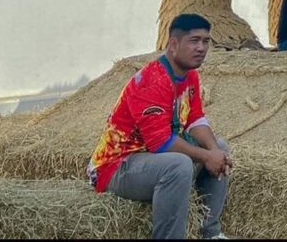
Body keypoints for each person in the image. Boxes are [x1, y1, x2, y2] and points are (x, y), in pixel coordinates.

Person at [87, 13, 232, 239]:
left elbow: (195, 119)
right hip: (117, 166)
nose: (202, 48)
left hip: (151, 161)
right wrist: (206, 157)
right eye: (194, 41)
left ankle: (210, 233)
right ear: (173, 44)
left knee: (220, 148)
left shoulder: (190, 76)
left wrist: (213, 152)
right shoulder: (152, 80)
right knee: (178, 165)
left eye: (206, 41)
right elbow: (160, 143)